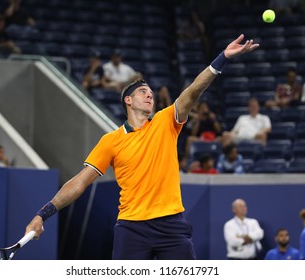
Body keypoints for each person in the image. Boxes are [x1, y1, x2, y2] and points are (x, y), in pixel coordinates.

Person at [25, 34, 259, 260]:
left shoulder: (165, 121)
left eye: (151, 94)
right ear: (128, 100)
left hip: (171, 224)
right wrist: (43, 214)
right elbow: (79, 182)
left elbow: (194, 91)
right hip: (131, 228)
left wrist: (222, 58)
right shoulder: (110, 141)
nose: (150, 96)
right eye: (143, 93)